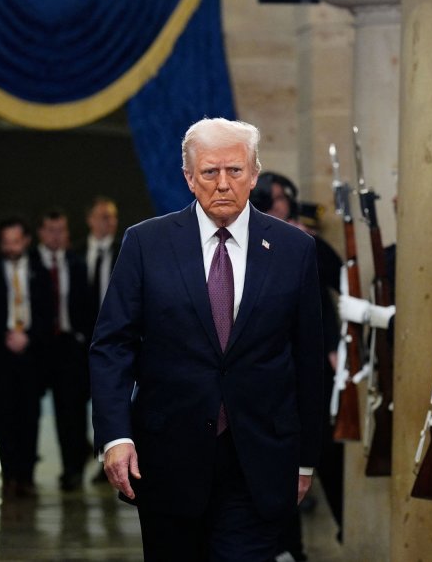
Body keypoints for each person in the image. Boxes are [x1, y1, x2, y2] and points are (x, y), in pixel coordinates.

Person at [90, 118, 323, 560]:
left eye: (235, 170)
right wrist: (116, 436)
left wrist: (305, 457)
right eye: (210, 171)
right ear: (189, 177)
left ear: (254, 174)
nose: (223, 183)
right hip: (167, 457)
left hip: (259, 457)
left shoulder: (294, 249)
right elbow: (112, 346)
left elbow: (307, 358)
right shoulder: (146, 243)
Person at [249, 172, 343, 559]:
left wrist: (339, 346)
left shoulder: (306, 244)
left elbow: (340, 285)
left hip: (312, 364)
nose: (281, 206)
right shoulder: (247, 245)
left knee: (327, 453)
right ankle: (286, 548)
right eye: (273, 200)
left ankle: (342, 527)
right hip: (268, 368)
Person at [0, 216, 55, 498]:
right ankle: (9, 474)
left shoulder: (40, 271)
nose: (11, 248)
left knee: (29, 416)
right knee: (3, 416)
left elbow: (48, 312)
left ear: (26, 240)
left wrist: (29, 337)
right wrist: (3, 336)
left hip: (32, 355)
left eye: (16, 242)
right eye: (6, 242)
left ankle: (26, 476)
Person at [34, 209, 95, 492]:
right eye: (51, 230)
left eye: (61, 230)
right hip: (39, 346)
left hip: (70, 346)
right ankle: (21, 472)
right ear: (41, 233)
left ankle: (73, 470)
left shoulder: (76, 263)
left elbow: (87, 305)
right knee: (30, 411)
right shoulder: (31, 263)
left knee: (71, 411)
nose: (56, 236)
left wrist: (83, 339)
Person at [83, 196, 120, 312]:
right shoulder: (76, 253)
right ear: (90, 219)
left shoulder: (124, 251)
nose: (112, 222)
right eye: (105, 217)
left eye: (114, 217)